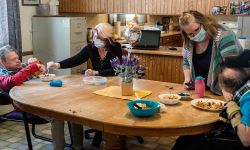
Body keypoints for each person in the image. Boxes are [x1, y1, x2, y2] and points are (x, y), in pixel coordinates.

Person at [47, 23, 123, 149]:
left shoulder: (116, 47)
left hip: (113, 83)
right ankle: (96, 134)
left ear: (107, 39)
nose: (94, 40)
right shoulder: (90, 48)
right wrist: (57, 65)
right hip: (97, 85)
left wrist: (96, 72)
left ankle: (104, 135)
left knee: (108, 109)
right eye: (93, 37)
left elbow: (118, 70)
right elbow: (75, 60)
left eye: (98, 38)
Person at [172, 51, 250, 150]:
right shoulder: (243, 85)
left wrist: (233, 110)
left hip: (232, 140)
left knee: (185, 143)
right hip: (228, 131)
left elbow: (246, 140)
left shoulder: (248, 97)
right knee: (186, 138)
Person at [179, 10, 243, 95]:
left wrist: (226, 88)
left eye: (197, 30)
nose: (195, 35)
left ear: (204, 22)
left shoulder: (224, 35)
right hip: (204, 90)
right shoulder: (188, 42)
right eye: (190, 34)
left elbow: (232, 66)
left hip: (228, 88)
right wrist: (187, 79)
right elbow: (186, 61)